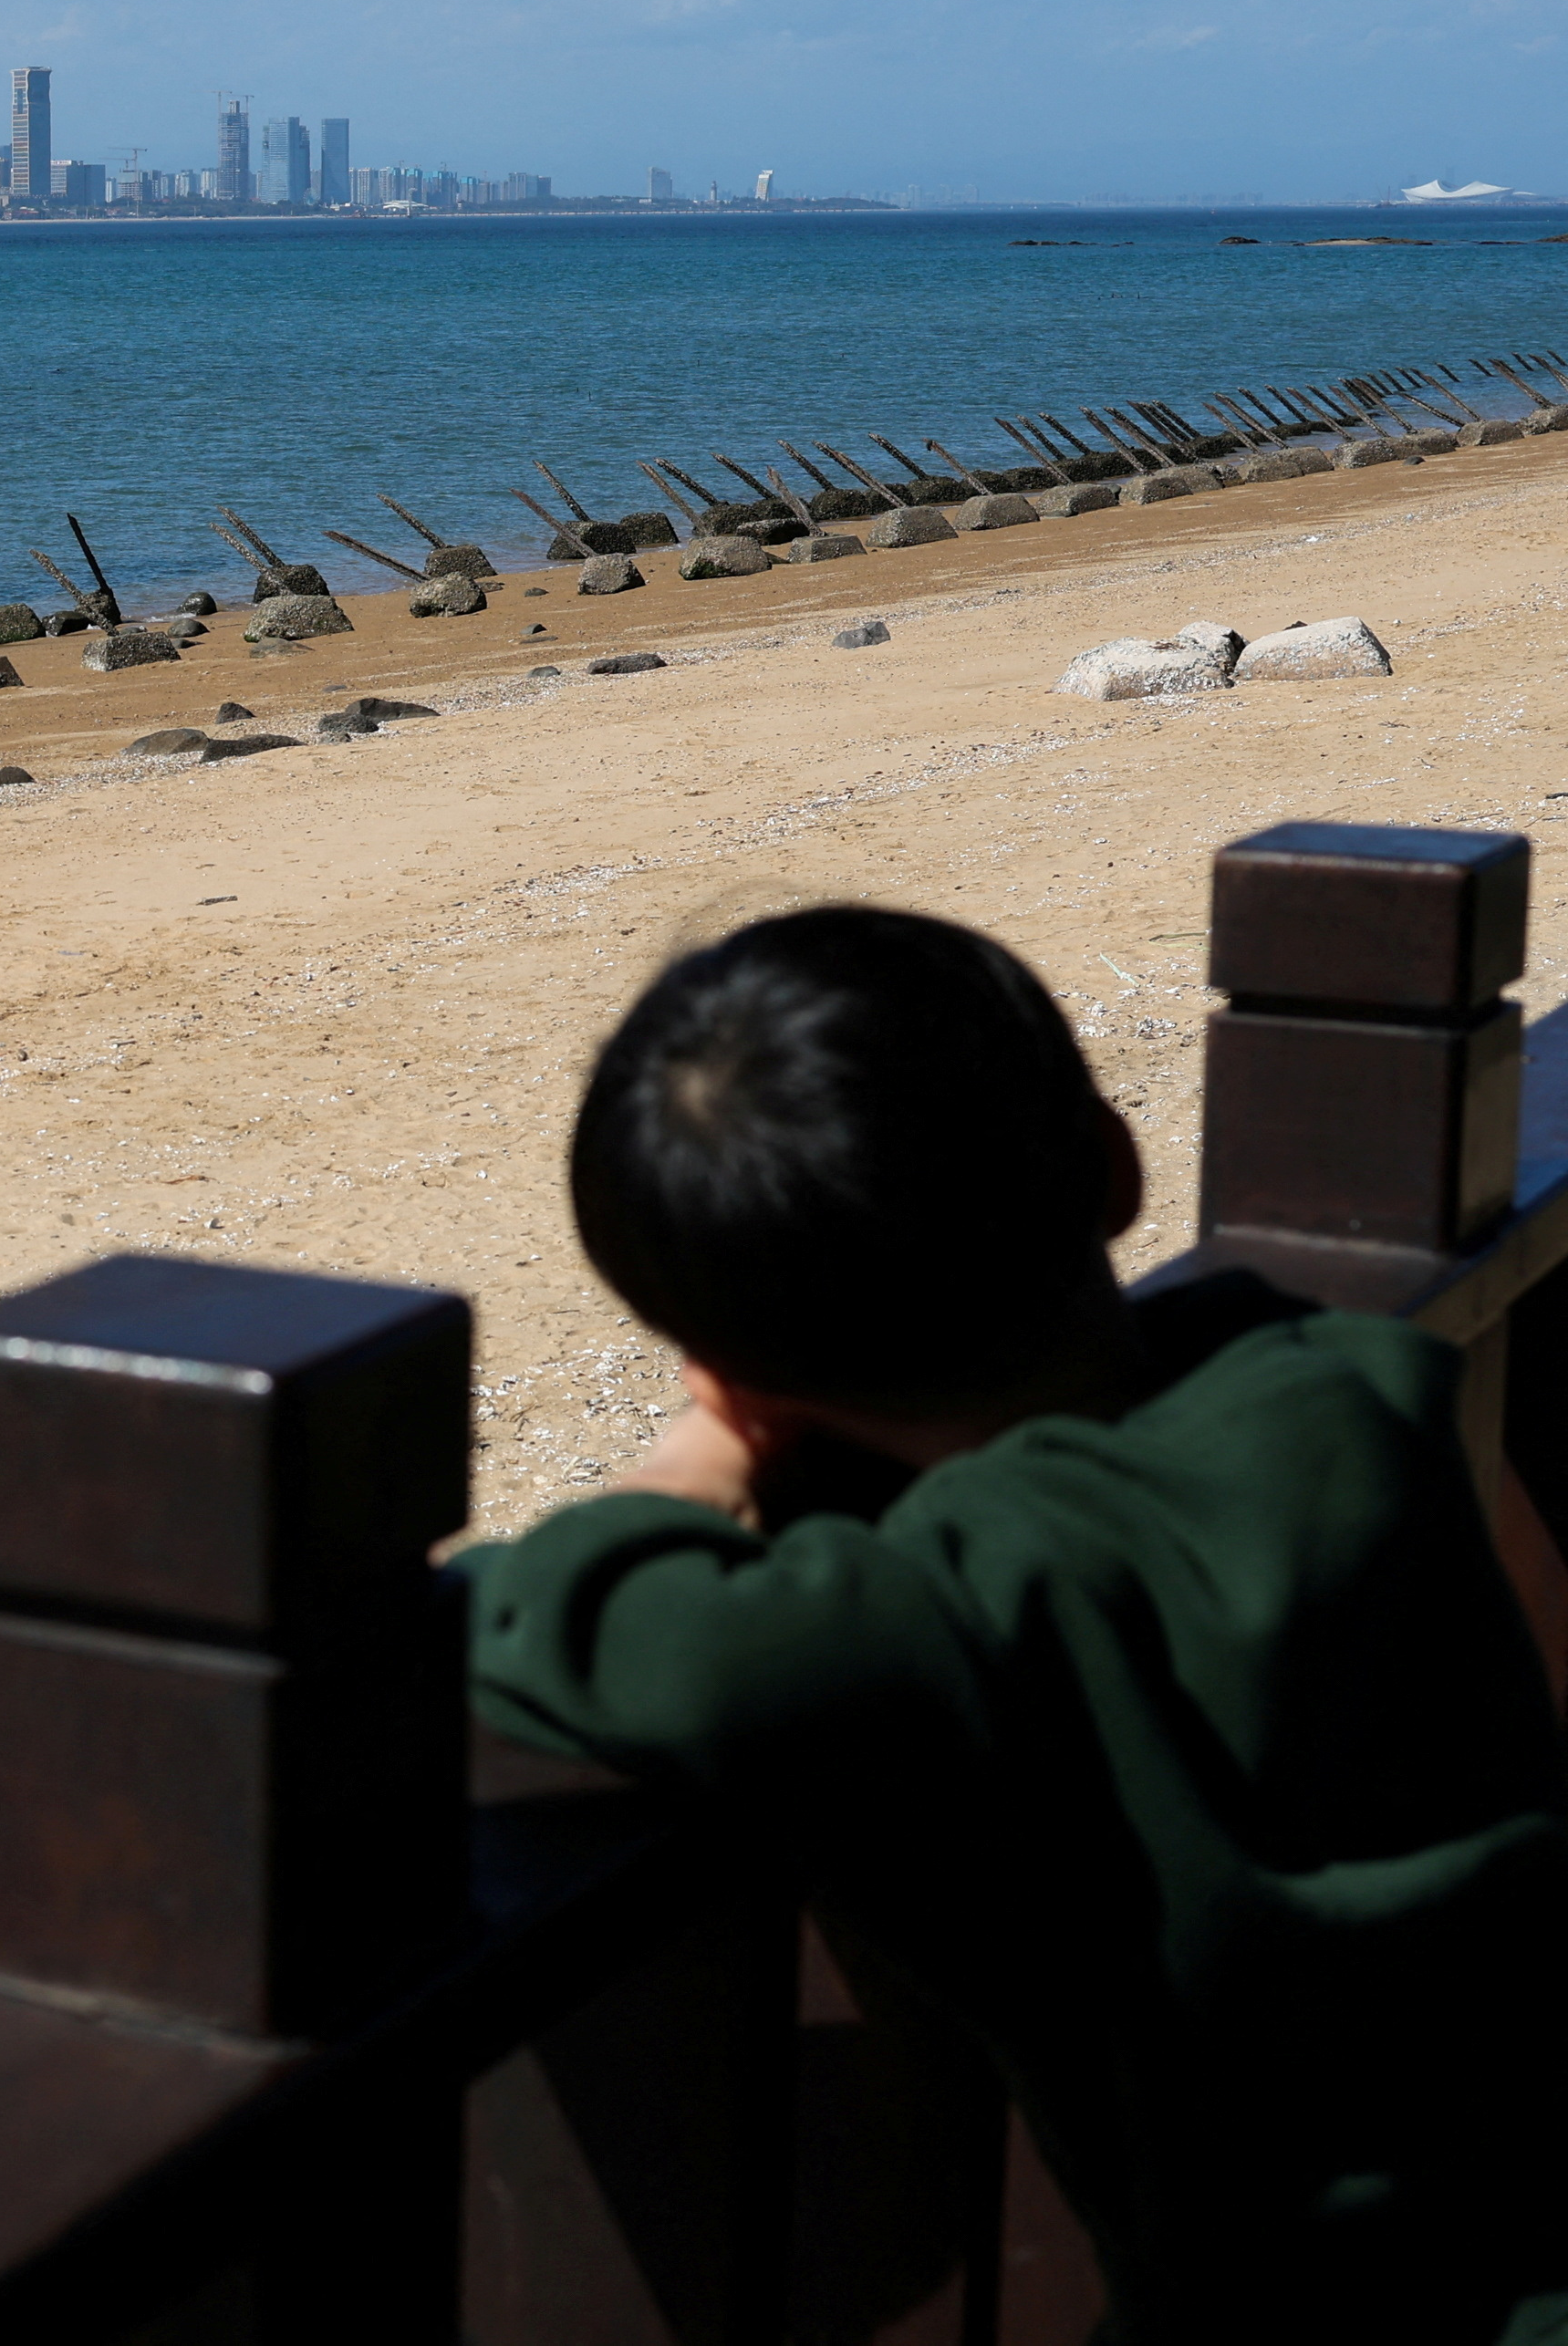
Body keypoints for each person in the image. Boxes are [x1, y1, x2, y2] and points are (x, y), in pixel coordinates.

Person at [460, 904, 1568, 2345]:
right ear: (1114, 1170)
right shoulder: (1347, 1395)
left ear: (733, 1370)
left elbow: (590, 1625)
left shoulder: (966, 1613)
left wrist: (696, 1459)